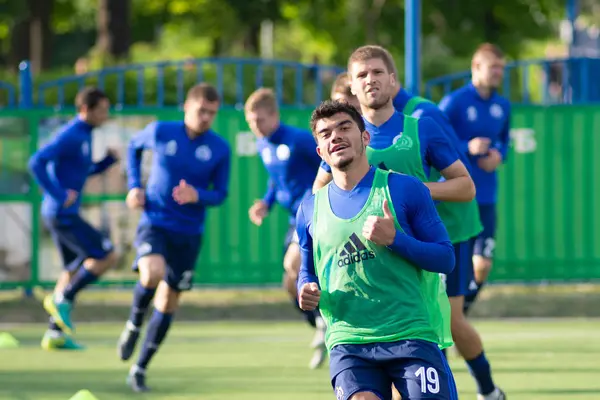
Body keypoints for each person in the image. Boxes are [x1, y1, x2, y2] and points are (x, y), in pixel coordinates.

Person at [298, 99, 458, 400]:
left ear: (365, 137)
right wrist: (304, 288)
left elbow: (445, 258)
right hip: (349, 340)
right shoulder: (309, 209)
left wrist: (397, 239)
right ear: (321, 152)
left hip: (409, 334)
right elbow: (308, 269)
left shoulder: (405, 189)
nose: (336, 136)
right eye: (326, 133)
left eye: (345, 127)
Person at [118, 83, 231, 392]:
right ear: (186, 107)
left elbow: (220, 194)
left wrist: (198, 195)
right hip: (155, 221)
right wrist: (133, 185)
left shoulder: (220, 148)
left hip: (189, 233)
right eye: (201, 111)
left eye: (211, 113)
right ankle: (133, 323)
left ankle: (140, 368)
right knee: (151, 272)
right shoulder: (161, 131)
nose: (206, 117)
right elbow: (133, 147)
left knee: (168, 301)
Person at [28, 87, 118, 351]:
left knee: (71, 270)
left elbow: (81, 170)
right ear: (86, 110)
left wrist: (105, 163)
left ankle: (55, 334)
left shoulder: (85, 135)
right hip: (61, 214)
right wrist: (57, 193)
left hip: (63, 213)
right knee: (106, 255)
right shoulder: (71, 134)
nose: (106, 115)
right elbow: (36, 161)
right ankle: (62, 300)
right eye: (102, 110)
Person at [244, 87, 326, 369]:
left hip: (313, 212)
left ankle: (324, 323)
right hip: (294, 218)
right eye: (251, 122)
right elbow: (275, 179)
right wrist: (265, 203)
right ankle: (320, 324)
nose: (256, 126)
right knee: (291, 284)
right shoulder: (262, 145)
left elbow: (328, 165)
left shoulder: (299, 139)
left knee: (293, 263)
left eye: (260, 120)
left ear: (274, 115)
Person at [439, 43, 511, 314]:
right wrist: (466, 147)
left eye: (501, 68)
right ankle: (450, 321)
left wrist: (499, 155)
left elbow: (505, 141)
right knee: (454, 264)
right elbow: (434, 137)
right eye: (493, 67)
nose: (498, 73)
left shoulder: (502, 105)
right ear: (476, 67)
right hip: (457, 197)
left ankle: (460, 317)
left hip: (487, 195)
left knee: (483, 265)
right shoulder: (454, 102)